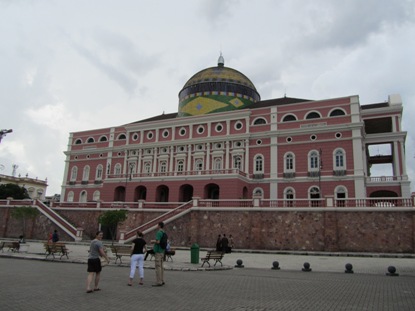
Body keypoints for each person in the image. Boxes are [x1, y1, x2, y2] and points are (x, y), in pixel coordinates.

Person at [151, 222, 165, 287]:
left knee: (158, 266)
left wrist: (152, 241)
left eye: (157, 225)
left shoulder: (159, 232)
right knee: (161, 266)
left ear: (159, 226)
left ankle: (158, 281)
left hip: (158, 251)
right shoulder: (164, 232)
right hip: (162, 251)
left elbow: (158, 241)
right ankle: (162, 280)